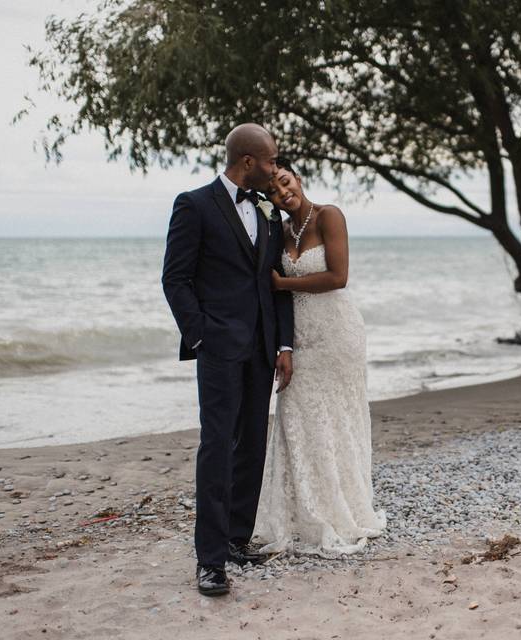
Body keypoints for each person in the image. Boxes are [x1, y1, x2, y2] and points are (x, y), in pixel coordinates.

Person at [162, 123, 294, 596]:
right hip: (218, 348)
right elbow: (175, 279)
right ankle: (210, 561)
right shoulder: (193, 205)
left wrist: (283, 345)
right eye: (271, 160)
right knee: (217, 447)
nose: (276, 168)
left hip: (261, 349)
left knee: (251, 445)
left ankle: (237, 538)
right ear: (247, 163)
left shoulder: (270, 213)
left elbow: (274, 282)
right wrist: (201, 337)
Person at [252, 162, 386, 556]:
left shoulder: (329, 215)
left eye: (285, 182)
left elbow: (338, 276)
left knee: (339, 419)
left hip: (337, 333)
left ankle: (343, 510)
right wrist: (283, 345)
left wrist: (283, 282)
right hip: (301, 338)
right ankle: (298, 516)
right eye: (274, 191)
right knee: (296, 416)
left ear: (298, 179)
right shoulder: (280, 230)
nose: (282, 193)